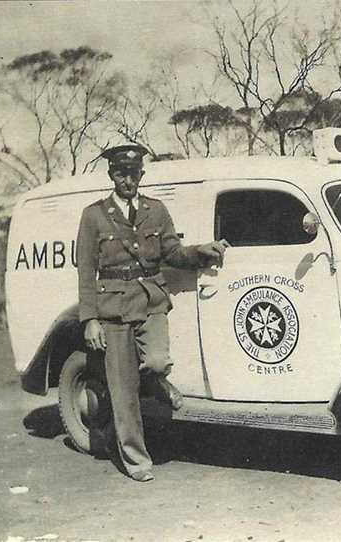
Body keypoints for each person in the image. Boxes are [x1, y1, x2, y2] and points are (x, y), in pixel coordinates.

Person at [76, 144, 227, 482]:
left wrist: (201, 251)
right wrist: (89, 320)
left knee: (157, 360)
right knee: (122, 390)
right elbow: (85, 270)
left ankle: (156, 381)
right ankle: (137, 461)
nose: (127, 180)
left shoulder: (156, 211)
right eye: (120, 173)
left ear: (141, 175)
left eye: (133, 173)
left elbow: (172, 251)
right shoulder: (94, 215)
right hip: (113, 306)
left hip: (150, 300)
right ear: (111, 175)